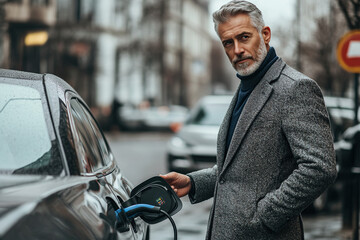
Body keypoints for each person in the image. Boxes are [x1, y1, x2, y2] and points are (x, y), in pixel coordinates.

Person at [160, 1, 337, 239]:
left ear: (265, 34)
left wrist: (264, 216)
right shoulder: (247, 87)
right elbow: (240, 171)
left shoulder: (296, 88)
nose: (237, 50)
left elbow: (320, 168)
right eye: (228, 43)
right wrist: (193, 183)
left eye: (244, 37)